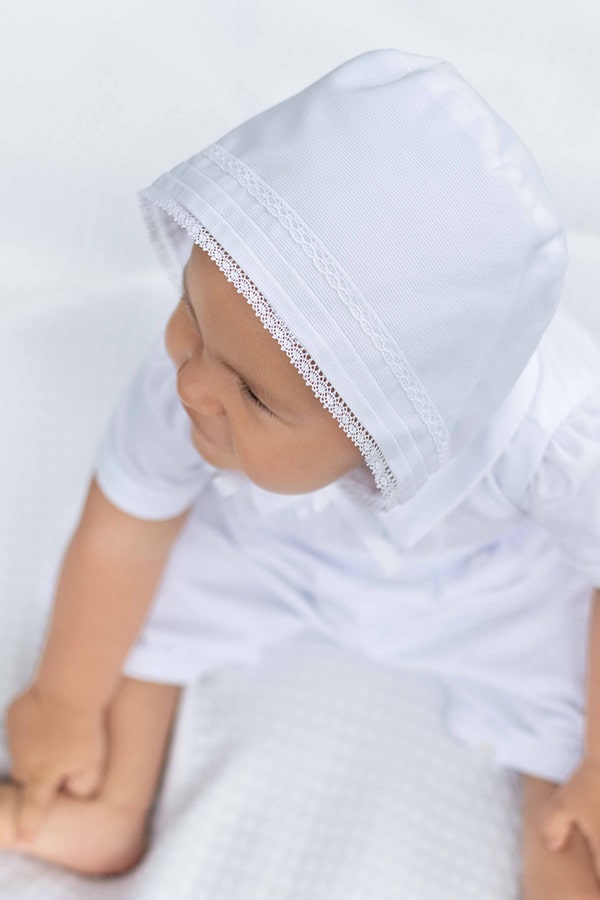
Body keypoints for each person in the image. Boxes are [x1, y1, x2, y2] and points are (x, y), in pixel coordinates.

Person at [0, 48, 599, 898]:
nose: (194, 380)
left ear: (381, 431)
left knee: (575, 722)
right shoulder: (201, 374)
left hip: (490, 590)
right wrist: (62, 699)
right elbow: (125, 529)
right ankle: (105, 803)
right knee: (128, 615)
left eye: (252, 393)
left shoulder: (559, 432)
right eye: (190, 313)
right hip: (271, 547)